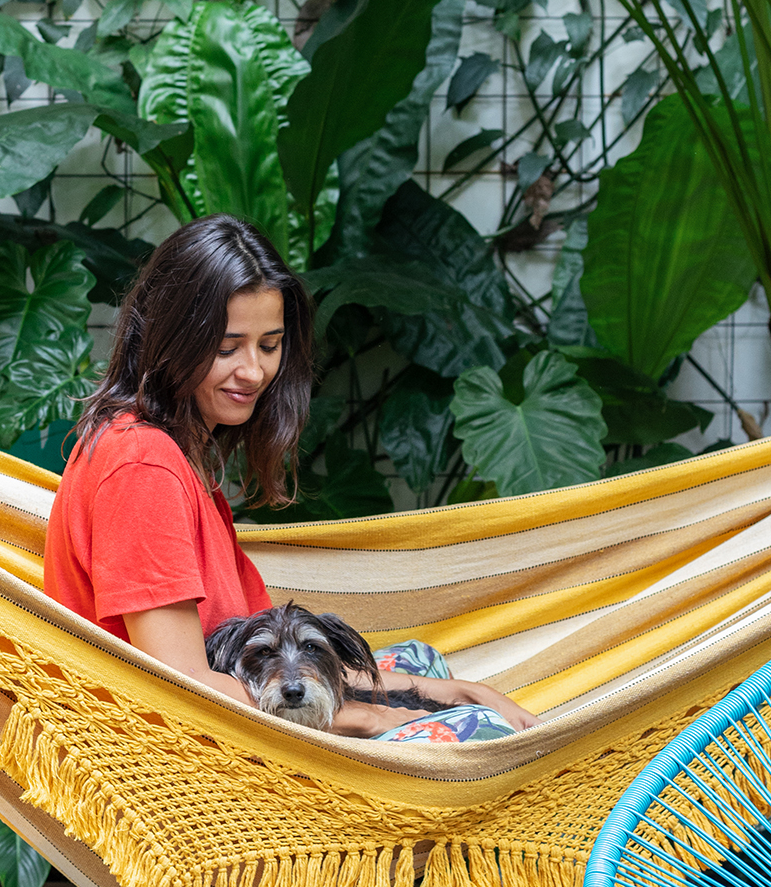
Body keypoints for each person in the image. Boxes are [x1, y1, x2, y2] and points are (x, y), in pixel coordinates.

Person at [43, 215, 537, 741]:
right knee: (484, 733)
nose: (253, 371)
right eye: (228, 347)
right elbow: (183, 683)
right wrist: (368, 715)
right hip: (177, 751)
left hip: (247, 706)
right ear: (171, 340)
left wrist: (460, 693)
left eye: (270, 344)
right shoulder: (142, 465)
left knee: (424, 667)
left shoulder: (178, 455)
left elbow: (282, 664)